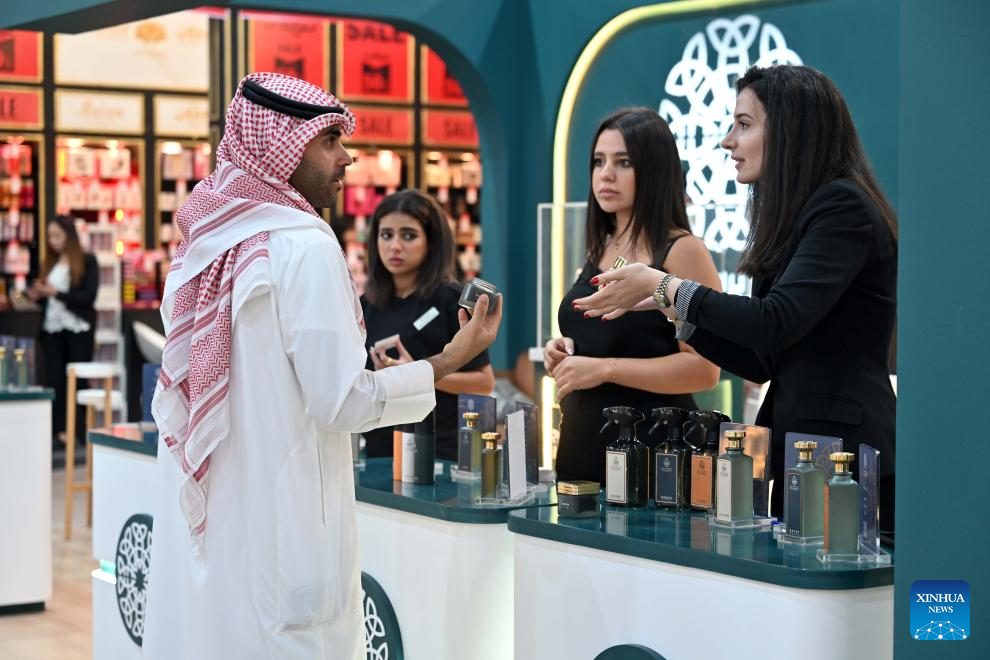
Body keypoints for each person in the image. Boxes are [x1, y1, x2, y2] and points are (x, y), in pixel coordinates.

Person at [144, 73, 501, 659]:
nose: (347, 157)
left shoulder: (208, 237)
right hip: (287, 537)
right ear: (280, 145)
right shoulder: (301, 243)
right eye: (330, 139)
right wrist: (445, 361)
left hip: (223, 526)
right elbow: (343, 400)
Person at [575, 65, 897, 535]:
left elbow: (774, 320)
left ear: (792, 132)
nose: (728, 141)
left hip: (845, 456)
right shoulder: (794, 219)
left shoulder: (843, 208)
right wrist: (674, 314)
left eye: (744, 125)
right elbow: (760, 358)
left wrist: (666, 286)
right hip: (799, 453)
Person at [544, 108, 721, 484]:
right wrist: (564, 350)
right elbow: (609, 335)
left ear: (654, 171)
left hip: (653, 454)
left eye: (623, 162)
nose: (606, 174)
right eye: (599, 161)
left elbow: (705, 369)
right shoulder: (603, 244)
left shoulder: (682, 251)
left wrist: (603, 368)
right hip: (582, 446)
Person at [361, 189, 494, 460]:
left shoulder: (450, 300)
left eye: (408, 236)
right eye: (386, 235)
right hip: (379, 449)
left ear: (431, 242)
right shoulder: (365, 305)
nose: (394, 246)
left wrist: (417, 374)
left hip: (438, 452)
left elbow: (483, 383)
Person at [27, 215, 98, 444]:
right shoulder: (51, 262)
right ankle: (59, 432)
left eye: (57, 235)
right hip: (51, 329)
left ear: (69, 236)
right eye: (50, 236)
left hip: (78, 329)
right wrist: (37, 295)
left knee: (76, 380)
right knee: (55, 381)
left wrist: (55, 292)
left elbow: (88, 297)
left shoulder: (87, 261)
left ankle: (82, 431)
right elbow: (48, 297)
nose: (53, 241)